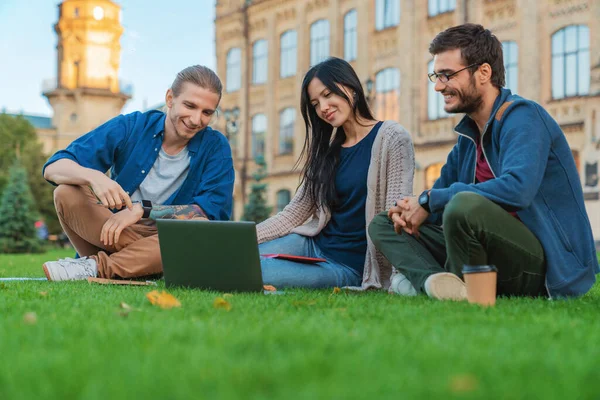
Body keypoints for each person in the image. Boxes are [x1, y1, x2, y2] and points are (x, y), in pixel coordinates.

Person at [369, 24, 598, 300]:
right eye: (436, 76)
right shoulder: (468, 137)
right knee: (384, 223)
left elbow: (517, 189)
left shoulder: (523, 117)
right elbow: (438, 205)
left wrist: (431, 200)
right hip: (485, 255)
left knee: (463, 205)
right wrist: (412, 208)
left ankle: (444, 284)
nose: (439, 86)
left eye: (447, 75)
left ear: (484, 73)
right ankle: (435, 283)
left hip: (542, 266)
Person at [41, 65, 234, 281]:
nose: (196, 119)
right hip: (114, 231)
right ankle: (143, 266)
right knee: (65, 193)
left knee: (198, 228)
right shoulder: (132, 126)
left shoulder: (216, 146)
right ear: (170, 98)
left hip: (164, 238)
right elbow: (54, 167)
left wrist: (143, 210)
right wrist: (94, 177)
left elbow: (211, 213)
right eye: (190, 106)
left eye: (207, 112)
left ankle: (96, 268)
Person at [256, 57, 415, 289]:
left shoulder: (392, 138)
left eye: (328, 94)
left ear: (350, 87)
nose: (323, 108)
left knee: (258, 270)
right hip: (311, 244)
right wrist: (241, 239)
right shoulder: (327, 152)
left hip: (347, 266)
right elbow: (292, 215)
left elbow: (395, 216)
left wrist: (399, 277)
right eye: (315, 103)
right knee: (239, 257)